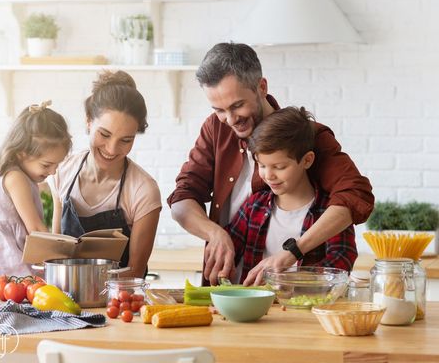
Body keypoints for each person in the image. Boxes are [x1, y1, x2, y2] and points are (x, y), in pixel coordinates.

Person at [168, 42, 374, 285]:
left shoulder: (306, 136)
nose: (230, 119)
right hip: (231, 288)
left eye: (237, 106)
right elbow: (182, 198)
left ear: (262, 87)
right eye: (219, 110)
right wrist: (214, 233)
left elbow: (355, 194)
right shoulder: (216, 128)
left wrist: (294, 252)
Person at [225, 107, 357, 283]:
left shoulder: (330, 213)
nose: (268, 175)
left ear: (307, 160)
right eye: (262, 165)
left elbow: (341, 263)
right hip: (255, 308)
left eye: (279, 167)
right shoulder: (254, 206)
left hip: (308, 308)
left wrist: (288, 280)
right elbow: (229, 251)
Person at [51, 71, 161, 279]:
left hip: (119, 302)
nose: (111, 149)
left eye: (126, 140)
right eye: (105, 134)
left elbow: (135, 272)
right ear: (88, 121)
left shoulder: (143, 190)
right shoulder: (63, 170)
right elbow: (56, 254)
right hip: (64, 300)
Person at [0, 101, 72, 293]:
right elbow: (35, 230)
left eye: (56, 166)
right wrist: (65, 258)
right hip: (3, 277)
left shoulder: (14, 175)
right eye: (46, 165)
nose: (52, 172)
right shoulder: (16, 178)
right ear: (21, 154)